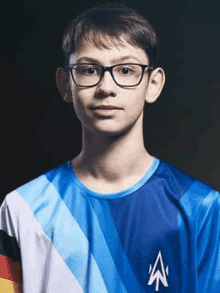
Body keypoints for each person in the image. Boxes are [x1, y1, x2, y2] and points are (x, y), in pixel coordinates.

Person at [0, 3, 219, 292]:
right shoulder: (21, 209)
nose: (107, 87)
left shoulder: (200, 207)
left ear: (153, 84)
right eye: (90, 69)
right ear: (65, 84)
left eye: (126, 70)